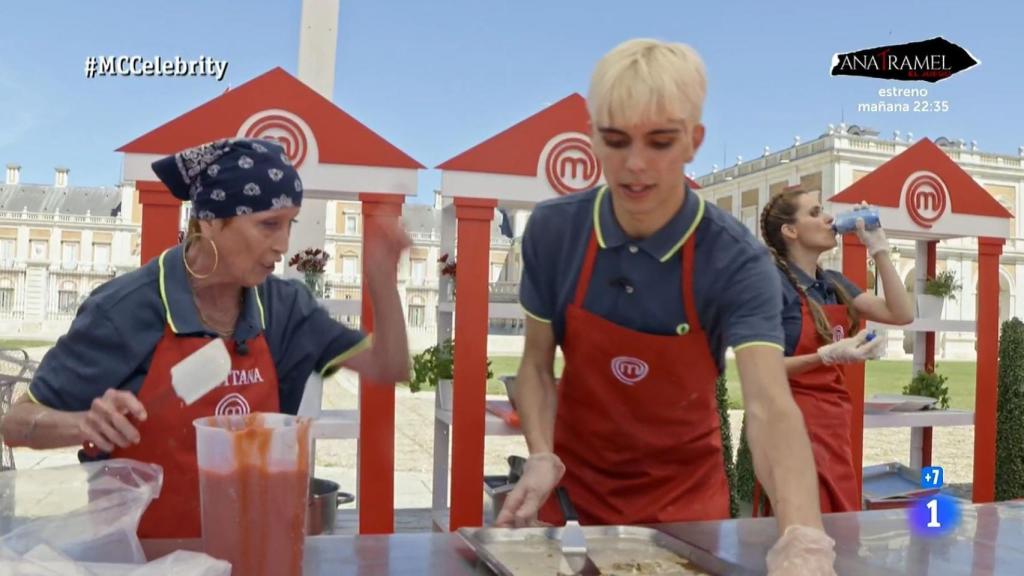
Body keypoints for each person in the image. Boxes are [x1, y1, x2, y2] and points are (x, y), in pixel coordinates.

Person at [494, 38, 837, 573]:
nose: (634, 165)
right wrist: (541, 453)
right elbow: (536, 365)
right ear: (593, 138)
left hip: (687, 509)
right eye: (615, 140)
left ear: (693, 141)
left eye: (659, 142)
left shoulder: (735, 260)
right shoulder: (554, 232)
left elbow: (769, 405)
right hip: (573, 499)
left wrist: (803, 534)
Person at [0, 138, 411, 538]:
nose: (283, 246)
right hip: (142, 563)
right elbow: (16, 425)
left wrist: (382, 281)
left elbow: (389, 365)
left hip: (256, 554)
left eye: (290, 224)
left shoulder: (286, 308)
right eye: (268, 224)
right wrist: (83, 423)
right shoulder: (123, 309)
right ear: (211, 220)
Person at [755, 189, 913, 514]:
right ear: (790, 230)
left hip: (834, 425)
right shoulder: (771, 283)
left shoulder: (834, 284)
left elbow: (902, 314)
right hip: (794, 427)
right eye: (814, 213)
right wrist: (825, 356)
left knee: (840, 525)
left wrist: (880, 249)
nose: (828, 218)